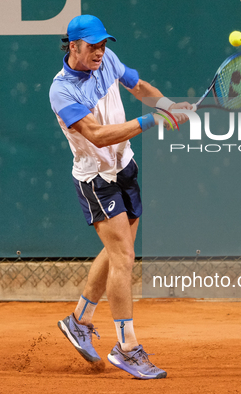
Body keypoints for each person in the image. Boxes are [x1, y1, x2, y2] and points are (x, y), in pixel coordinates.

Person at [49, 15, 190, 379]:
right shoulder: (62, 90)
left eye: (102, 44)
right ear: (73, 45)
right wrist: (149, 121)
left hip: (124, 166)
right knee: (124, 256)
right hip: (97, 178)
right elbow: (96, 135)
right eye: (92, 46)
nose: (99, 52)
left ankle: (79, 320)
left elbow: (139, 86)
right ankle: (127, 347)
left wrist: (167, 105)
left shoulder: (107, 60)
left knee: (118, 249)